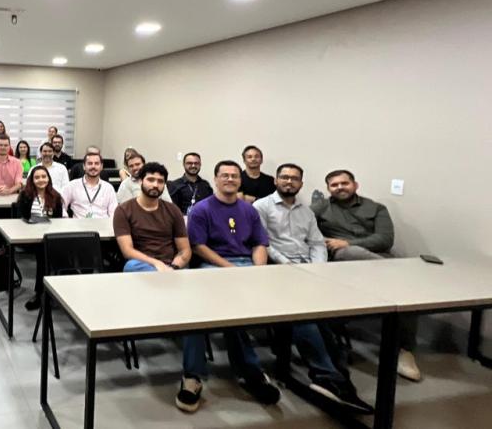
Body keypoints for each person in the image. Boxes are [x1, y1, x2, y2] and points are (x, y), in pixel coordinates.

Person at [253, 164, 376, 413]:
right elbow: (263, 243)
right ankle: (325, 376)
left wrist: (316, 269)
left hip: (310, 270)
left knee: (328, 315)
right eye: (284, 177)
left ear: (301, 183)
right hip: (279, 271)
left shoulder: (306, 212)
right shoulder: (261, 207)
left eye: (294, 178)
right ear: (276, 180)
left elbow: (317, 242)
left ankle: (339, 377)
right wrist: (290, 266)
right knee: (305, 314)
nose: (289, 182)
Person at [176, 160, 280, 412]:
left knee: (238, 311)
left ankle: (250, 372)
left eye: (234, 176)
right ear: (215, 179)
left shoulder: (249, 210)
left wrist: (257, 271)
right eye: (225, 175)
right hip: (213, 267)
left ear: (240, 180)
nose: (230, 179)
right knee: (197, 314)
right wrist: (231, 270)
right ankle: (192, 376)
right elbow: (199, 247)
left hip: (247, 265)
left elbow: (259, 244)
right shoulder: (201, 209)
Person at [312, 169, 421, 381]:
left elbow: (385, 239)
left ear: (355, 185)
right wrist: (330, 242)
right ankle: (398, 277)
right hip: (342, 262)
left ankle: (404, 351)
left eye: (344, 183)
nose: (340, 187)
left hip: (377, 258)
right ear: (328, 189)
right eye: (334, 185)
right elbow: (304, 229)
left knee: (406, 293)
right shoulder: (321, 207)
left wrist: (349, 242)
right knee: (351, 253)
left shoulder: (376, 208)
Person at [113, 162, 190, 273]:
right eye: (150, 180)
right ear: (140, 181)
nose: (155, 185)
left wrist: (173, 268)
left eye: (160, 181)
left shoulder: (173, 210)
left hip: (171, 266)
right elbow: (127, 251)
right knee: (131, 265)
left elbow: (184, 250)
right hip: (141, 265)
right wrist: (156, 264)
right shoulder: (124, 210)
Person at [17, 166, 64, 310]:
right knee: (43, 254)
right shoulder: (25, 195)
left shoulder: (55, 196)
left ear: (48, 178)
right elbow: (23, 218)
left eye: (44, 176)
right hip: (30, 237)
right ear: (32, 180)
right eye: (37, 177)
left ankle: (54, 293)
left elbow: (57, 220)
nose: (41, 180)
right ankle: (40, 294)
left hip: (50, 236)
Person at [60, 152, 117, 218]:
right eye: (90, 163)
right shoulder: (72, 186)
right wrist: (66, 219)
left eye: (96, 163)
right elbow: (61, 206)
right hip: (79, 223)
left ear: (101, 167)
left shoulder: (108, 188)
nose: (93, 166)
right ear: (84, 166)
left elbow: (114, 212)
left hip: (103, 223)